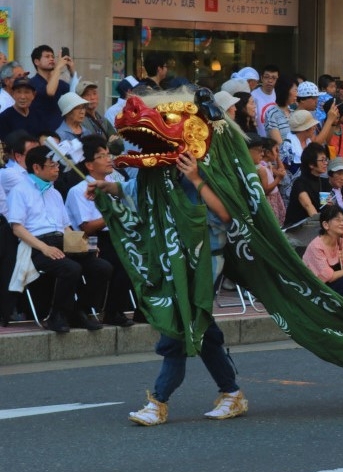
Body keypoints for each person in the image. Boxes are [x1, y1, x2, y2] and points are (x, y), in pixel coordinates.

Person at [90, 150, 248, 425]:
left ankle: (159, 400)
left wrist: (195, 177)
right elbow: (134, 189)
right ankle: (231, 391)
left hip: (204, 261)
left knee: (177, 326)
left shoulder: (208, 164)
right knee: (200, 326)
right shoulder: (158, 168)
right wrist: (108, 187)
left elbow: (225, 213)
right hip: (171, 258)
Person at [7, 145, 112, 333]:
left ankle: (79, 311)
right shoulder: (20, 190)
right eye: (52, 165)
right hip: (36, 245)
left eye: (57, 165)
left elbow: (65, 226)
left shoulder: (54, 193)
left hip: (61, 241)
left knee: (102, 267)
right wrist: (44, 248)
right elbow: (17, 228)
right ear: (37, 168)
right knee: (71, 268)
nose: (57, 169)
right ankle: (57, 315)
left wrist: (82, 244)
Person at [64, 135, 135, 327]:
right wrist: (112, 213)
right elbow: (86, 227)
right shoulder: (79, 190)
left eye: (108, 154)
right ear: (89, 165)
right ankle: (84, 309)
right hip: (91, 240)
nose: (108, 159)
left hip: (115, 235)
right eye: (102, 156)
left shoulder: (113, 184)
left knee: (135, 258)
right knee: (113, 262)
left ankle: (115, 311)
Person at [302, 203, 343, 298]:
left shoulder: (341, 241)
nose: (342, 224)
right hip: (315, 289)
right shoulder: (316, 246)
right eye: (338, 220)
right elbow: (329, 277)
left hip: (333, 285)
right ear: (326, 225)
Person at [284, 142, 331, 226]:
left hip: (317, 226)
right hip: (296, 230)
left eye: (326, 159)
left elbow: (325, 208)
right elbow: (308, 206)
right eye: (322, 160)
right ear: (311, 164)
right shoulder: (300, 183)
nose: (326, 163)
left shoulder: (324, 183)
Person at [252, 65, 280, 136]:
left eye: (274, 78)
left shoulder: (279, 94)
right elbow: (253, 121)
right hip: (261, 139)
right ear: (261, 78)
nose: (270, 81)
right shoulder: (253, 96)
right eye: (267, 77)